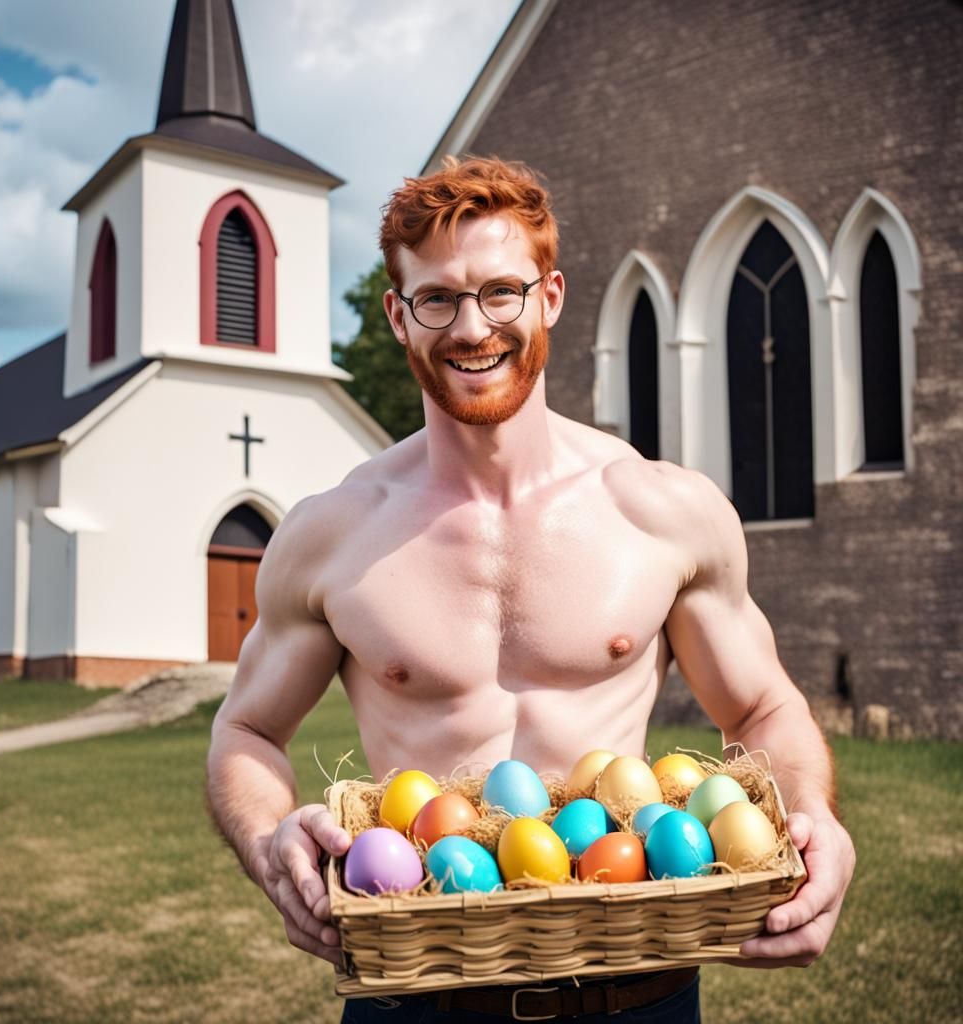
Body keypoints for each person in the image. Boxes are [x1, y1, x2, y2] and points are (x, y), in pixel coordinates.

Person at [205, 157, 855, 1022]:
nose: (473, 328)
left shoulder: (661, 510)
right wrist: (267, 838)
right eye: (437, 299)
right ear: (399, 317)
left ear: (549, 297)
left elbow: (765, 708)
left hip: (637, 991)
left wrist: (814, 819)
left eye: (502, 291)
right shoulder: (333, 533)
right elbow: (246, 729)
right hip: (417, 992)